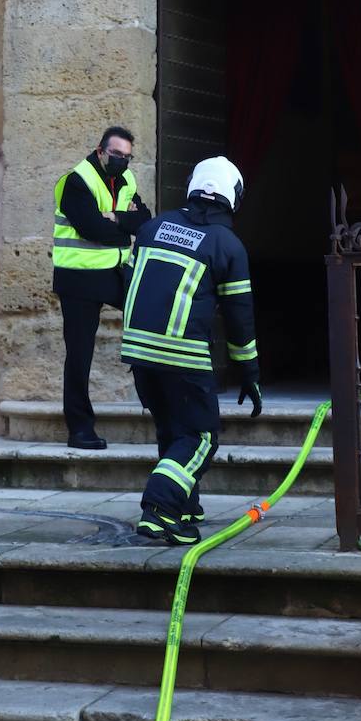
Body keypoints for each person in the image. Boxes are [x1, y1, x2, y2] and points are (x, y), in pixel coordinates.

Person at [121, 156, 262, 545]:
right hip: (183, 354)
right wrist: (248, 373)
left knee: (172, 429)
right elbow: (239, 317)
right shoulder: (227, 245)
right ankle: (160, 510)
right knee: (201, 436)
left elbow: (130, 283)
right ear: (233, 195)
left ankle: (185, 506)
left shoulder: (152, 228)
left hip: (138, 351)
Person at [53, 126, 152, 449]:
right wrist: (122, 224)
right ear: (100, 151)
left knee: (151, 317)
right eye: (116, 154)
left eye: (127, 156)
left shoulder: (126, 180)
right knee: (79, 355)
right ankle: (80, 429)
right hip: (79, 279)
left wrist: (115, 219)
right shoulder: (76, 180)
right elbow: (90, 228)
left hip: (116, 273)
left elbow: (146, 219)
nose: (122, 161)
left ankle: (156, 397)